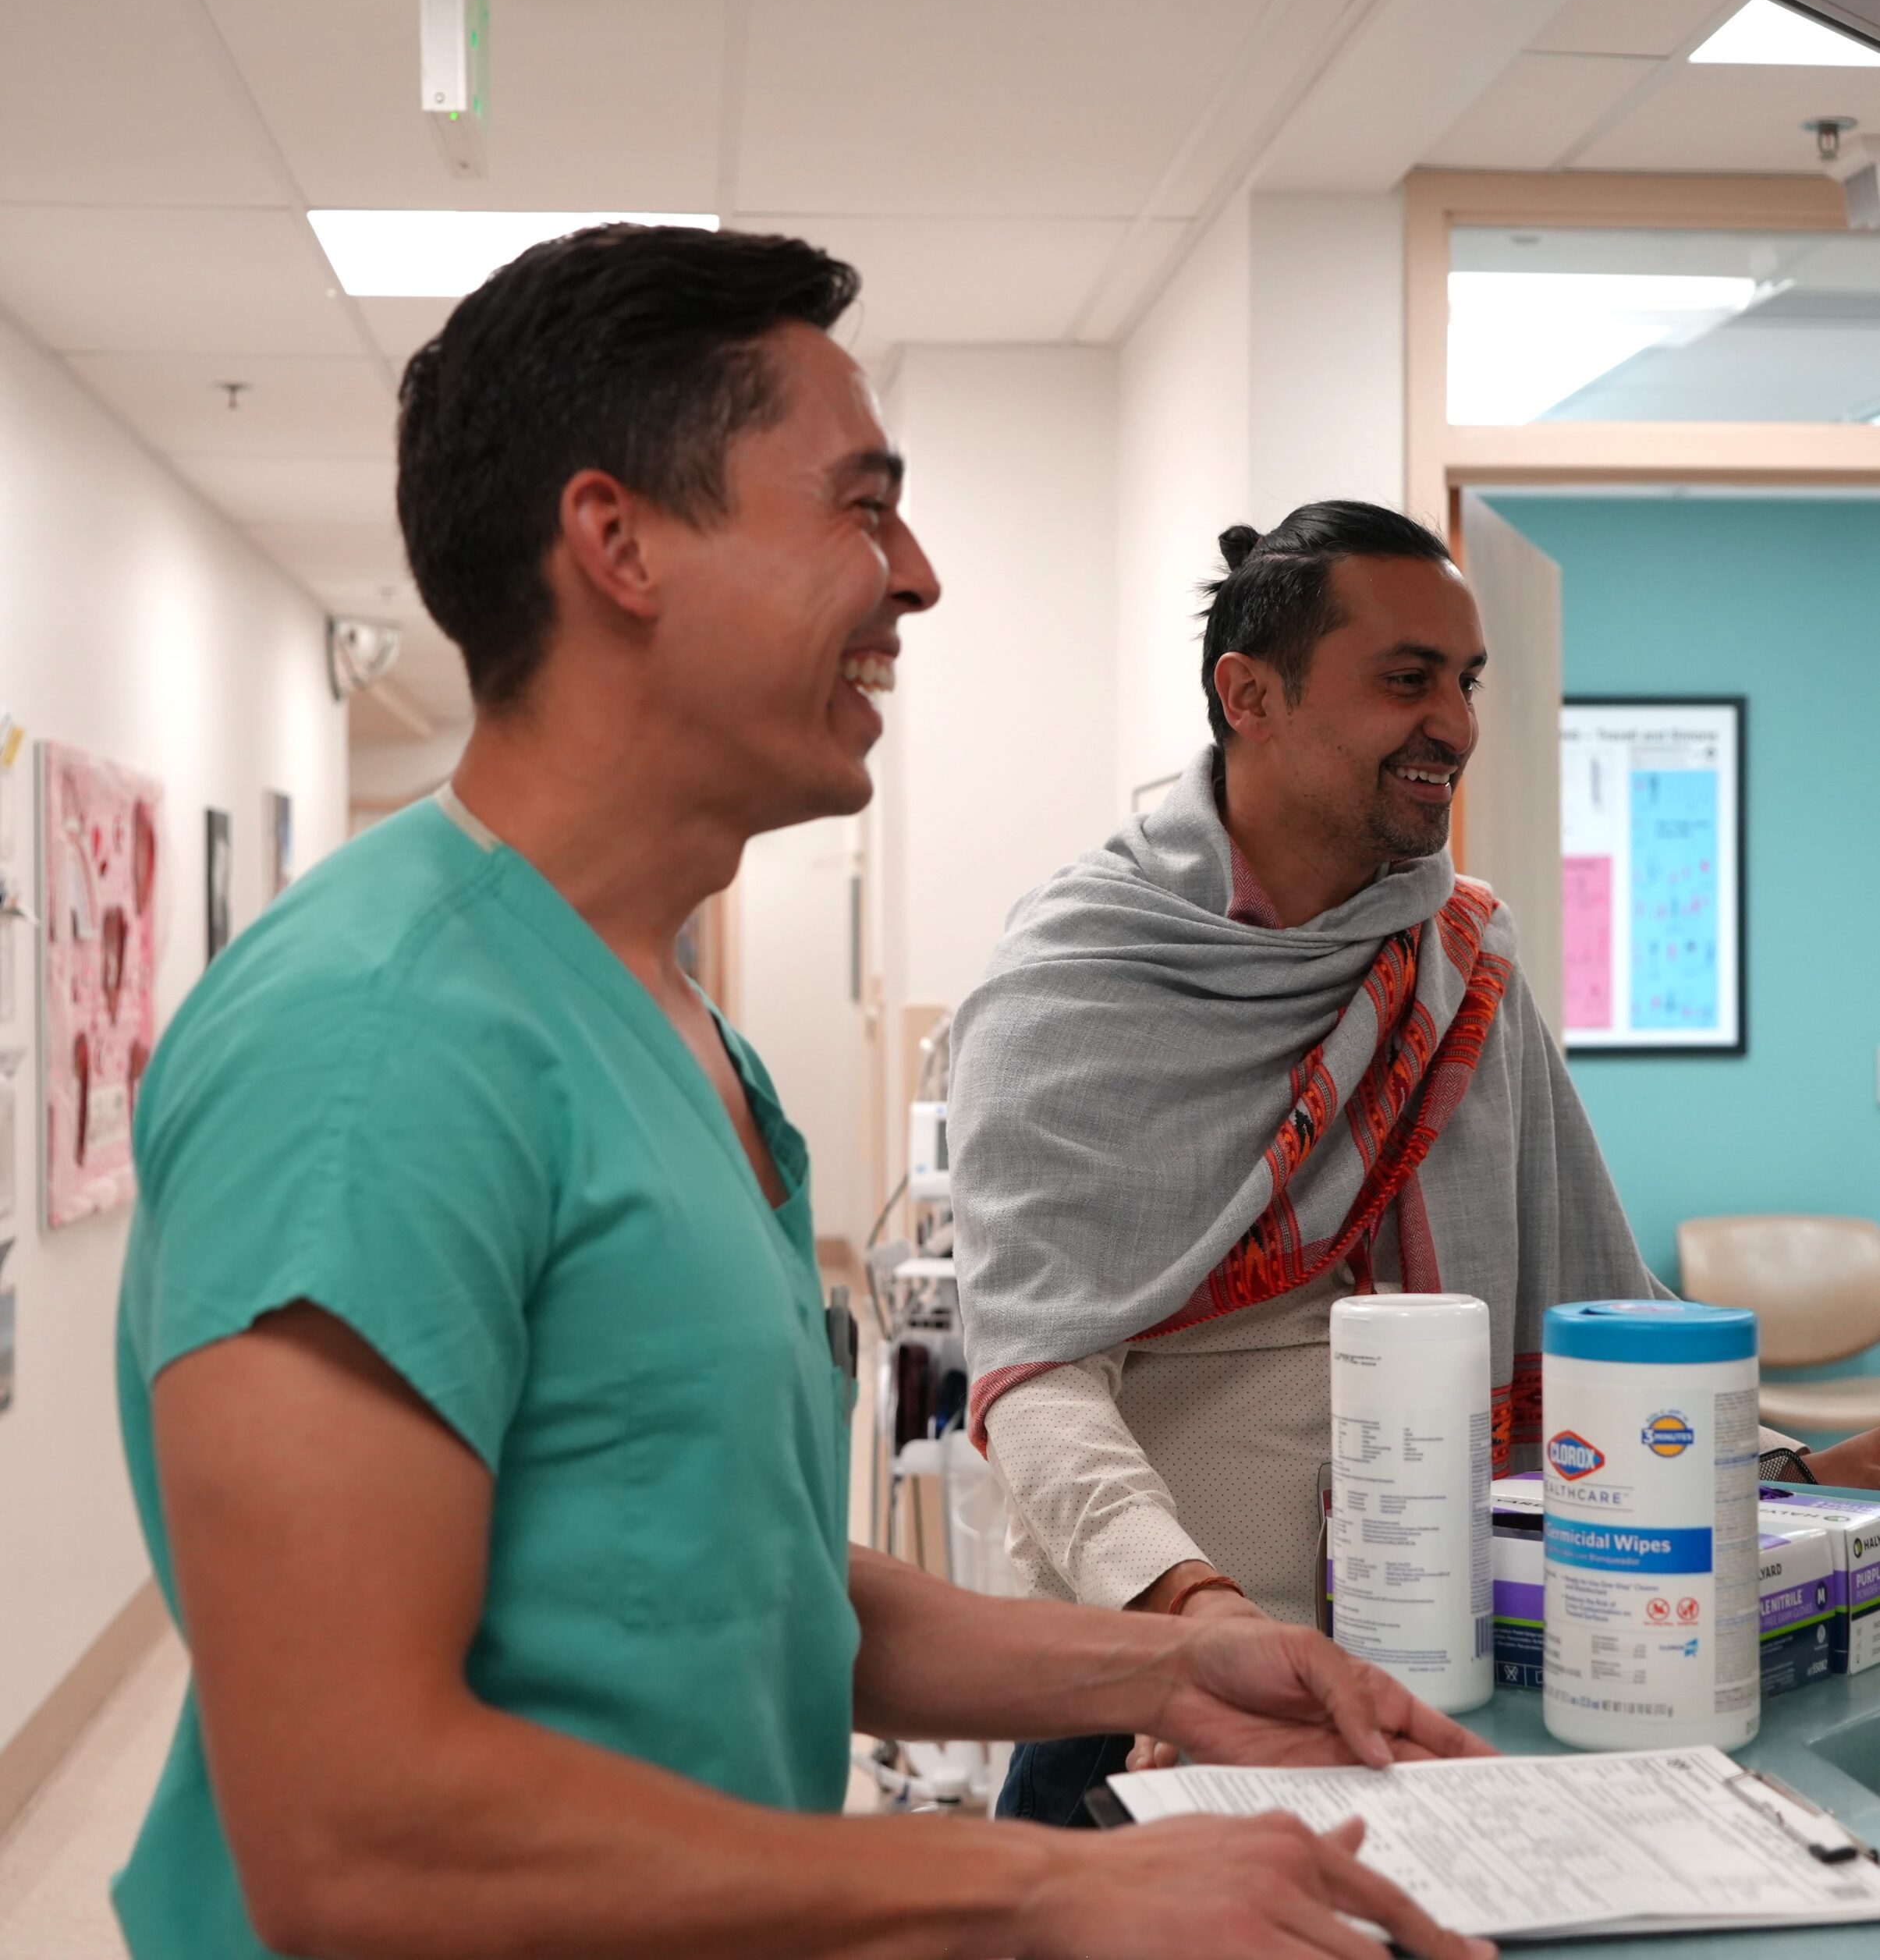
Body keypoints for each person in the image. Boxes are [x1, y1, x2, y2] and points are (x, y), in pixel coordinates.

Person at [112, 235, 1496, 1960]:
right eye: (860, 505)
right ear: (615, 541)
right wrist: (1055, 1883)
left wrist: (1175, 1658)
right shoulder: (376, 1044)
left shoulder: (677, 1032)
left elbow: (738, 1586)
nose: (914, 576)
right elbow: (358, 1839)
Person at [949, 504, 1880, 1827]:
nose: (1454, 721)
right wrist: (1193, 1622)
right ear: (1247, 694)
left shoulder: (1458, 964)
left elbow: (1600, 1328)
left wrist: (1799, 1471)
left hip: (1452, 1695)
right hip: (1165, 1706)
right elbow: (1036, 1377)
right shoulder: (1074, 982)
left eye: (1465, 679)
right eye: (1405, 679)